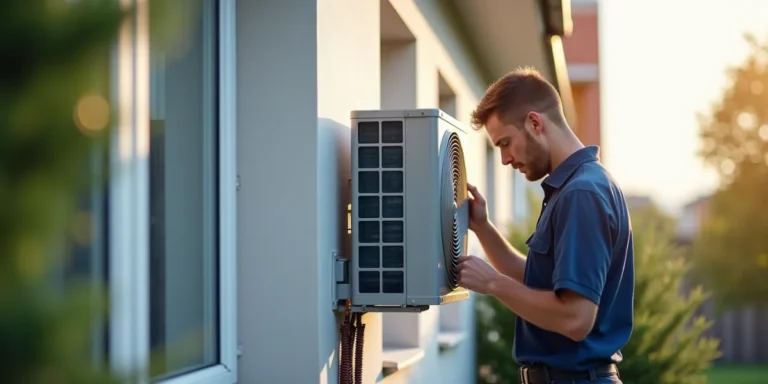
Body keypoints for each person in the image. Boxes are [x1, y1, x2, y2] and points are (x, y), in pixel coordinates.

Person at [457, 67, 634, 384]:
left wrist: (494, 285)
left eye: (505, 143)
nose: (505, 159)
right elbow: (539, 281)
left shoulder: (581, 194)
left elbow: (576, 319)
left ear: (535, 123)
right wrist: (481, 227)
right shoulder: (574, 188)